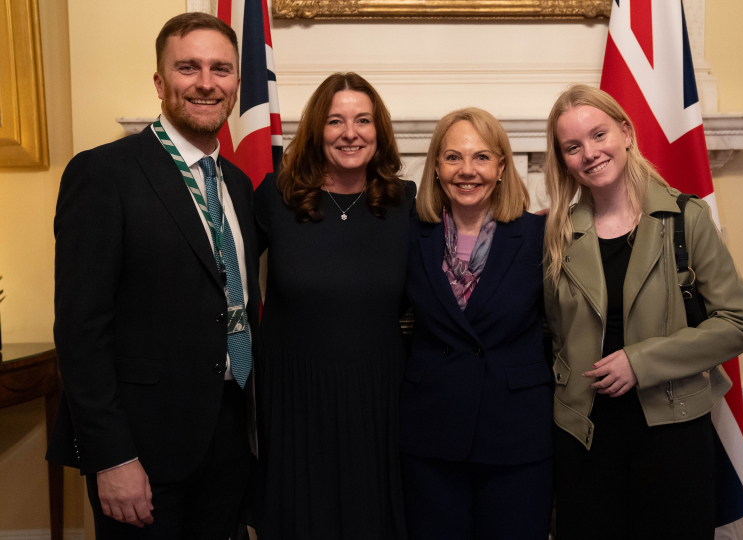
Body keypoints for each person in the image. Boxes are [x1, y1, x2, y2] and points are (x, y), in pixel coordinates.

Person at [46, 13, 260, 539]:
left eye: (221, 69)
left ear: (235, 84)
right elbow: (81, 330)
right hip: (142, 452)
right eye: (188, 68)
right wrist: (112, 456)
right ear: (161, 83)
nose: (206, 82)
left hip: (229, 439)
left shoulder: (237, 183)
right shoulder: (103, 174)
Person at [543, 84, 743, 540]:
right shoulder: (557, 233)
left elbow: (738, 324)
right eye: (573, 146)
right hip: (583, 434)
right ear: (563, 159)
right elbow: (552, 332)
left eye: (599, 134)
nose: (590, 153)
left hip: (673, 431)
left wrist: (639, 363)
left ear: (625, 132)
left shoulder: (686, 218)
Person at [254, 72, 415, 540]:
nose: (350, 133)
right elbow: (223, 273)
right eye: (335, 121)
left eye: (363, 120)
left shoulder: (406, 202)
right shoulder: (276, 196)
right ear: (315, 131)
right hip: (294, 397)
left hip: (378, 396)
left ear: (379, 131)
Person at [401, 108, 554, 540]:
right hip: (431, 434)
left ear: (502, 167)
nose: (467, 170)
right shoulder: (410, 234)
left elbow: (564, 326)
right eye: (453, 157)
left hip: (517, 435)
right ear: (436, 166)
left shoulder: (540, 235)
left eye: (482, 157)